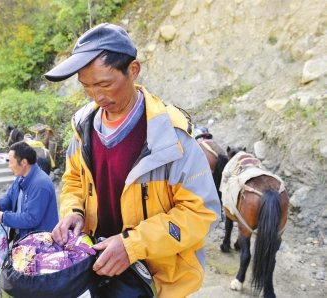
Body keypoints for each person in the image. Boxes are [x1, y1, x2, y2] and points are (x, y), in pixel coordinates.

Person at [45, 23, 221, 297]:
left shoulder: (170, 136)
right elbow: (73, 181)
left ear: (133, 70)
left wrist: (132, 245)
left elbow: (200, 213)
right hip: (97, 266)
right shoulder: (84, 127)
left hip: (155, 279)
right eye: (86, 87)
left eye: (105, 84)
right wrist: (73, 212)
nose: (97, 96)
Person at [0, 141, 58, 242]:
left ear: (23, 162)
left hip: (39, 243)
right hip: (23, 236)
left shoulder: (41, 184)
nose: (9, 166)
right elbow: (10, 196)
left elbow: (31, 218)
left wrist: (3, 217)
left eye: (10, 162)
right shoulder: (21, 177)